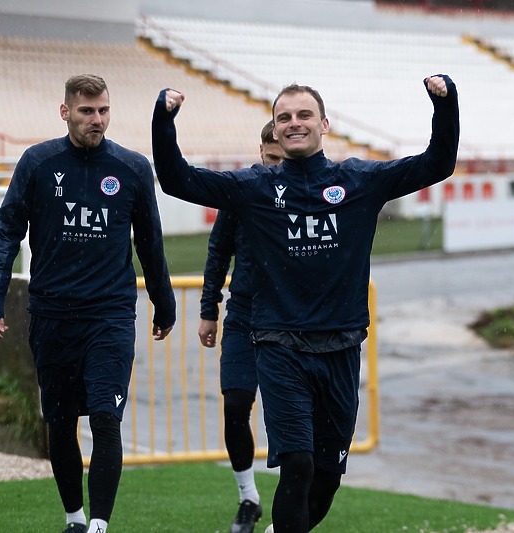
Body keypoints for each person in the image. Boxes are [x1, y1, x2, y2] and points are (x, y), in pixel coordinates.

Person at [153, 75, 459, 533]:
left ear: (324, 124)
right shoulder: (254, 188)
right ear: (274, 130)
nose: (294, 123)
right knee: (296, 463)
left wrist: (446, 104)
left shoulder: (359, 180)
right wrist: (164, 118)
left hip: (341, 347)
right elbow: (177, 179)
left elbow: (438, 163)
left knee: (326, 478)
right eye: (284, 117)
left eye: (303, 115)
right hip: (279, 345)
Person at [0, 74, 176, 533]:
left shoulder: (131, 167)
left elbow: (150, 242)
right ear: (65, 111)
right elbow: (8, 229)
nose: (97, 120)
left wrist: (164, 304)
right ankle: (74, 518)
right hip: (51, 314)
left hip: (109, 314)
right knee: (61, 421)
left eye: (104, 110)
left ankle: (99, 525)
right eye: (87, 111)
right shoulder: (38, 162)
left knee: (107, 419)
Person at [198, 119, 285, 533]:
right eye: (269, 159)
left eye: (282, 160)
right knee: (235, 405)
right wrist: (208, 308)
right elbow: (219, 252)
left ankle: (289, 508)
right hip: (244, 316)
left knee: (289, 419)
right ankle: (248, 497)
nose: (275, 168)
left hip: (291, 322)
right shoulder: (243, 189)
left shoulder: (308, 190)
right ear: (261, 150)